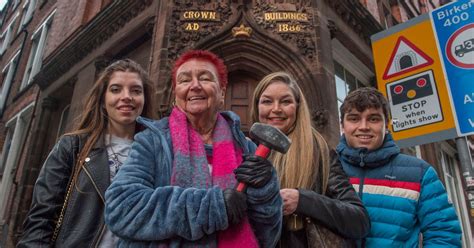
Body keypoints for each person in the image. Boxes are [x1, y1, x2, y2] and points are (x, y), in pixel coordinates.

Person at [104, 50, 282, 247]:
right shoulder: (152, 141)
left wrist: (265, 191)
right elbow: (121, 208)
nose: (195, 86)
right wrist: (210, 207)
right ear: (176, 94)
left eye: (205, 78)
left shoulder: (247, 148)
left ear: (222, 92)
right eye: (184, 80)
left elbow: (267, 233)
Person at [17, 59, 156, 247]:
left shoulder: (155, 152)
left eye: (136, 91)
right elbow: (41, 219)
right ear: (102, 100)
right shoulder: (72, 146)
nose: (127, 96)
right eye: (116, 89)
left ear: (144, 99)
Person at [249, 71, 370, 247]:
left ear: (297, 107)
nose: (276, 108)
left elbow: (359, 221)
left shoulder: (319, 153)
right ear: (257, 106)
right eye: (267, 101)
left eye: (286, 101)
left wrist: (303, 200)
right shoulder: (245, 151)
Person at [336, 87, 462, 247]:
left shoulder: (420, 173)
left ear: (387, 124)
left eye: (373, 119)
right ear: (342, 125)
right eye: (354, 119)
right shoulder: (326, 167)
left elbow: (444, 234)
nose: (364, 126)